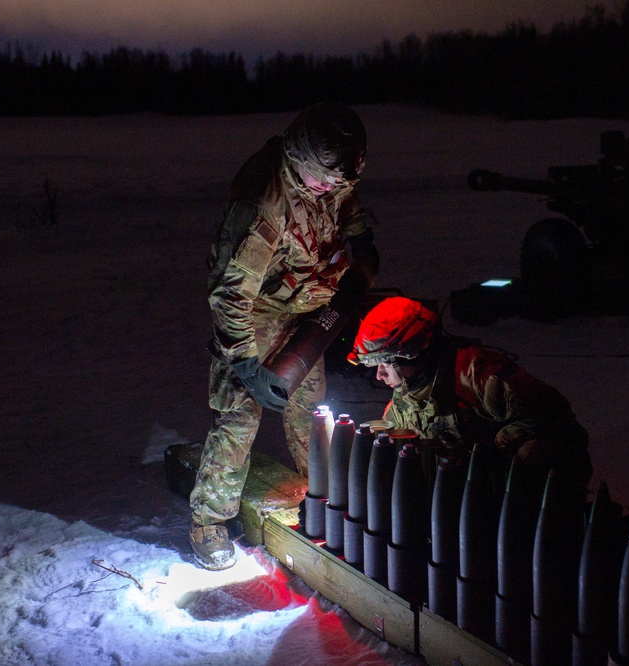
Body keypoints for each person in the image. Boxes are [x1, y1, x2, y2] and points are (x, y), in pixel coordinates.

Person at [189, 101, 378, 570]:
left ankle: (327, 498)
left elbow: (344, 202)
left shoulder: (330, 174)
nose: (331, 190)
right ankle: (209, 519)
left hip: (306, 305)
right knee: (239, 415)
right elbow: (228, 293)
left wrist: (359, 235)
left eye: (340, 183)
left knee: (310, 406)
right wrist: (244, 361)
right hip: (255, 312)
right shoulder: (262, 202)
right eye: (324, 182)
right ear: (299, 162)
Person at [347, 296, 592, 497]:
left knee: (536, 453)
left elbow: (554, 418)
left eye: (386, 365)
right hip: (457, 501)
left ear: (415, 356)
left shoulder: (479, 377)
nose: (379, 375)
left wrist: (495, 453)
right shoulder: (401, 404)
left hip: (509, 497)